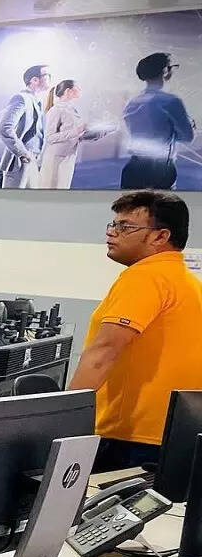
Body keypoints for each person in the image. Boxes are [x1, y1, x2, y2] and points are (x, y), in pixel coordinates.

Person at [69, 191, 202, 471]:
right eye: (113, 224)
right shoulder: (188, 283)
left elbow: (103, 352)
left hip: (127, 437)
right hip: (174, 435)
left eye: (125, 226)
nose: (112, 232)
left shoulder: (145, 276)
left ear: (160, 236)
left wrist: (63, 416)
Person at [122, 53, 195, 190]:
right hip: (160, 169)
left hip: (133, 167)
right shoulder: (171, 101)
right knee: (161, 204)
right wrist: (188, 125)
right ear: (166, 71)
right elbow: (187, 137)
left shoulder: (132, 102)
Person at [39, 80, 107, 189]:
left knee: (63, 189)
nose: (80, 90)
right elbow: (50, 137)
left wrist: (87, 135)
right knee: (51, 190)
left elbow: (71, 133)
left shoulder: (72, 109)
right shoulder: (56, 110)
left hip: (68, 156)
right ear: (68, 91)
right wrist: (77, 131)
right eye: (77, 88)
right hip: (55, 159)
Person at [0, 65, 51, 189]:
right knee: (14, 200)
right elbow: (4, 128)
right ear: (34, 80)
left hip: (34, 160)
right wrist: (23, 153)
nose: (49, 78)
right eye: (47, 75)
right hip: (20, 161)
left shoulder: (39, 102)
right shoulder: (21, 98)